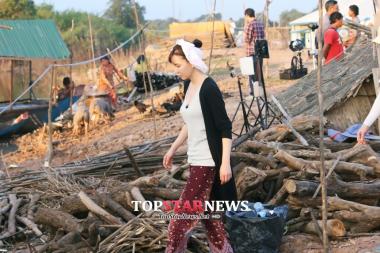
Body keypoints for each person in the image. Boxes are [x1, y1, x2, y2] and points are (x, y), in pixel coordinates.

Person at [163, 38, 236, 253]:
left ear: (191, 61)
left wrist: (224, 164)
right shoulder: (188, 84)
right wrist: (173, 147)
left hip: (207, 162)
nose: (176, 71)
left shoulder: (209, 88)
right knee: (210, 218)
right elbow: (190, 122)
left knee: (179, 221)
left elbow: (225, 128)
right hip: (195, 160)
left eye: (178, 65)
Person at [244, 8, 265, 96]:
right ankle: (260, 92)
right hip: (260, 52)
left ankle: (253, 93)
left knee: (251, 73)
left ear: (247, 15)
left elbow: (247, 40)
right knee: (259, 73)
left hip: (252, 52)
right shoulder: (260, 24)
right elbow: (263, 36)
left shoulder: (249, 25)